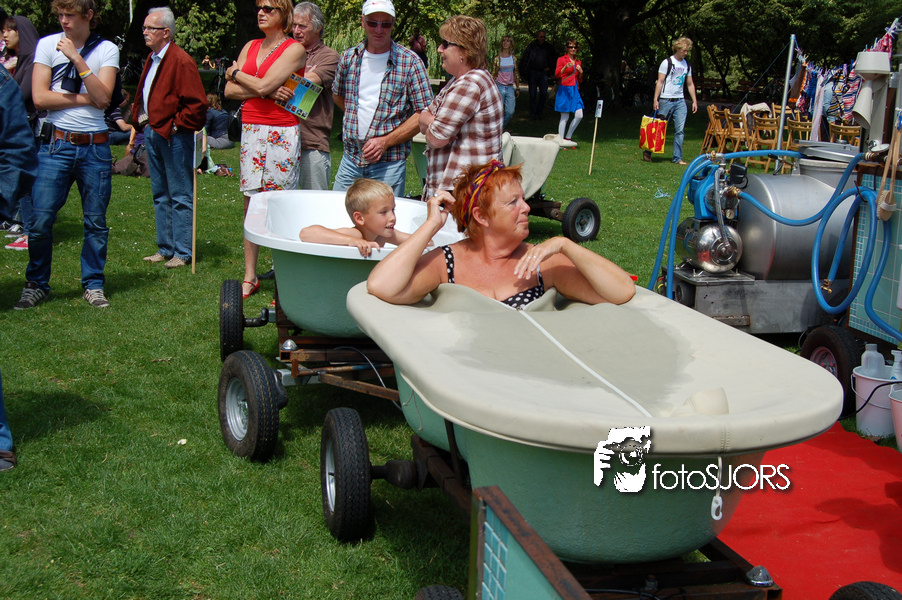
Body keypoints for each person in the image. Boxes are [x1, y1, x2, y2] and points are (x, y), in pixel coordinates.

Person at [366, 160, 635, 308]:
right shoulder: (447, 262)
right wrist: (431, 225)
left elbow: (621, 291)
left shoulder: (541, 263)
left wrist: (565, 245)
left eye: (523, 199)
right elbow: (381, 286)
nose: (526, 208)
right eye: (513, 202)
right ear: (482, 216)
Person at [15, 0, 119, 310]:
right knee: (40, 220)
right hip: (55, 145)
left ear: (89, 15)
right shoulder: (47, 45)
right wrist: (88, 98)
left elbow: (105, 98)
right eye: (60, 15)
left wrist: (76, 58)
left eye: (70, 15)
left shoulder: (107, 49)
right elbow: (39, 97)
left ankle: (93, 284)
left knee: (96, 222)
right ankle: (36, 283)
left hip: (95, 147)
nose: (64, 21)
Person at [224, 0, 306, 299]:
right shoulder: (250, 46)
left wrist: (236, 73)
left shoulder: (294, 49)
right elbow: (229, 91)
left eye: (269, 8)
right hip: (252, 128)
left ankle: (284, 277)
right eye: (259, 7)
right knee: (251, 201)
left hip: (282, 130)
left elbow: (255, 86)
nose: (261, 12)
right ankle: (250, 275)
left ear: (284, 14)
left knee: (279, 203)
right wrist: (269, 91)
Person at [331, 0, 432, 197]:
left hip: (388, 164)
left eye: (385, 24)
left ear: (393, 24)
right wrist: (356, 117)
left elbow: (425, 112)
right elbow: (338, 95)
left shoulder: (410, 62)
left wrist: (385, 141)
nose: (379, 29)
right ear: (363, 22)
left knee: (383, 216)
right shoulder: (349, 58)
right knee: (338, 213)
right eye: (372, 23)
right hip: (351, 159)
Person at [133, 6, 208, 270]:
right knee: (160, 193)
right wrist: (144, 120)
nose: (145, 32)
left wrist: (176, 126)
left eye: (150, 28)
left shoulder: (181, 61)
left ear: (166, 32)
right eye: (144, 27)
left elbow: (197, 104)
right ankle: (165, 248)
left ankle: (183, 251)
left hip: (173, 136)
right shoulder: (152, 58)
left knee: (180, 193)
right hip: (154, 132)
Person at [418, 15, 502, 200]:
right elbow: (423, 121)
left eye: (445, 44)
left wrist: (430, 121)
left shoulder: (469, 84)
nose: (439, 49)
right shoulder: (459, 82)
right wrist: (431, 121)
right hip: (460, 190)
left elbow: (436, 138)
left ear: (465, 50)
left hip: (462, 193)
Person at [290, 1, 338, 190]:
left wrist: (277, 81)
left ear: (318, 28)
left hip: (312, 143)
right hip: (283, 139)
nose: (296, 31)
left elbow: (299, 85)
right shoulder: (286, 53)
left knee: (314, 202)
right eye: (294, 25)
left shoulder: (329, 57)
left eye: (302, 26)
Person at [1, 15, 39, 251]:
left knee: (26, 182)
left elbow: (22, 94)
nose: (4, 35)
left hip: (28, 126)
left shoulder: (32, 62)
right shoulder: (19, 62)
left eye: (9, 30)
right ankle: (22, 225)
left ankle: (29, 229)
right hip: (20, 125)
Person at [299, 178, 411, 256]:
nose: (392, 217)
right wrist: (352, 241)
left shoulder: (383, 235)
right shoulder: (356, 234)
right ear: (360, 218)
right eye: (383, 212)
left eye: (393, 210)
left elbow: (417, 241)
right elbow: (306, 233)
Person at [648, 36, 698, 165]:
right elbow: (660, 82)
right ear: (677, 49)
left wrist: (694, 101)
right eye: (684, 50)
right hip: (666, 99)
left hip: (680, 100)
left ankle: (677, 157)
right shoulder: (667, 63)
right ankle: (648, 151)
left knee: (680, 130)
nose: (686, 53)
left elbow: (690, 84)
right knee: (659, 128)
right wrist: (656, 99)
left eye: (687, 51)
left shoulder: (687, 65)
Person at [519, 30, 556, 121]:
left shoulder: (548, 47)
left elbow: (555, 58)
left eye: (544, 37)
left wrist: (550, 68)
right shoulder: (531, 47)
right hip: (533, 72)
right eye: (541, 36)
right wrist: (523, 72)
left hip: (543, 73)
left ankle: (540, 112)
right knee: (532, 94)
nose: (542, 38)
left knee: (544, 93)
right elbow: (525, 59)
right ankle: (533, 114)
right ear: (537, 37)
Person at [554, 39, 584, 145]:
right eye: (571, 47)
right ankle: (561, 141)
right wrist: (565, 67)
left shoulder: (578, 62)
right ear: (567, 48)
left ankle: (568, 137)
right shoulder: (561, 59)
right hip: (564, 89)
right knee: (564, 116)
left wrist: (581, 72)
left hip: (575, 90)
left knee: (579, 115)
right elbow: (557, 74)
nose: (573, 49)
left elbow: (580, 79)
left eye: (575, 47)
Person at [491, 35, 519, 129]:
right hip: (499, 86)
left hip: (510, 87)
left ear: (511, 44)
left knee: (510, 112)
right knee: (498, 111)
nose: (505, 43)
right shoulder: (497, 58)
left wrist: (517, 88)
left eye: (508, 41)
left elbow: (516, 73)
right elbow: (493, 73)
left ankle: (500, 128)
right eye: (504, 41)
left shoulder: (513, 58)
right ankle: (497, 130)